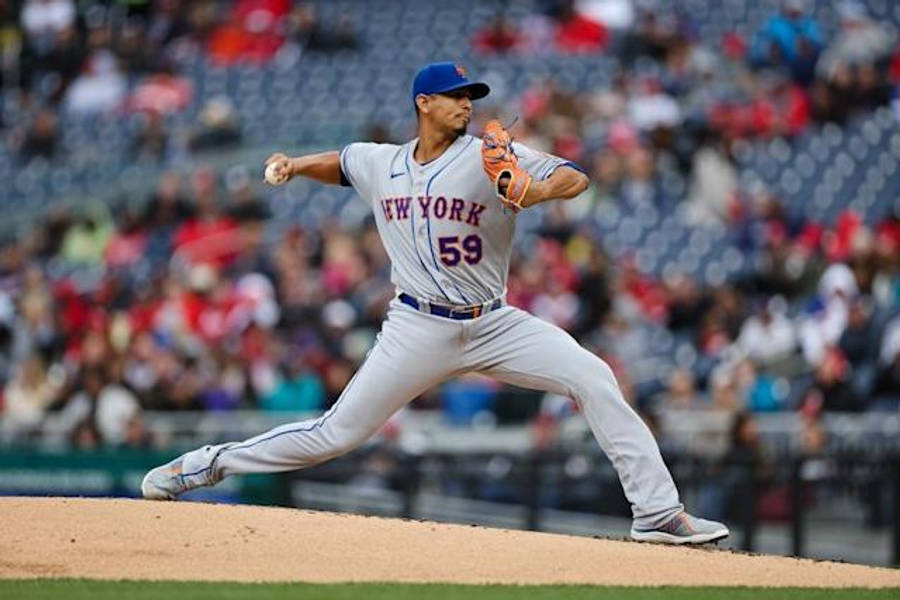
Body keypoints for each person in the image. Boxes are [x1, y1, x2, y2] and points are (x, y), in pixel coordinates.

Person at [142, 62, 728, 545]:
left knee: (593, 376)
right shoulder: (383, 163)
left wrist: (535, 189)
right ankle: (206, 464)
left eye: (471, 97)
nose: (467, 105)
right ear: (424, 102)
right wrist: (295, 166)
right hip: (416, 326)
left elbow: (576, 176)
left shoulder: (488, 155)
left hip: (494, 322)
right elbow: (343, 161)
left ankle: (656, 513)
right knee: (337, 433)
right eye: (455, 97)